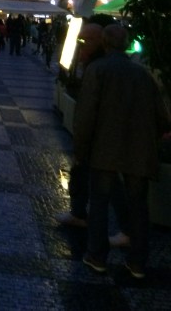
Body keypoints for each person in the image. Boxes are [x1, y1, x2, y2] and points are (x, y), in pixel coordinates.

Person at [74, 24, 170, 279]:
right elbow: (162, 117)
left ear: (105, 43)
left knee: (100, 204)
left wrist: (81, 150)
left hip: (105, 150)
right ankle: (137, 263)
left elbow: (85, 116)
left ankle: (97, 257)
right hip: (139, 151)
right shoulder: (143, 74)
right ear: (126, 44)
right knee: (138, 206)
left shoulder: (98, 70)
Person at [57, 21, 129, 247]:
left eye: (85, 40)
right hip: (100, 134)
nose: (80, 44)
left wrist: (81, 141)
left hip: (100, 135)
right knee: (85, 175)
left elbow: (90, 109)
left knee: (108, 183)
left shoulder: (98, 68)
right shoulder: (93, 64)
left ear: (102, 43)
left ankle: (106, 243)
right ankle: (79, 213)